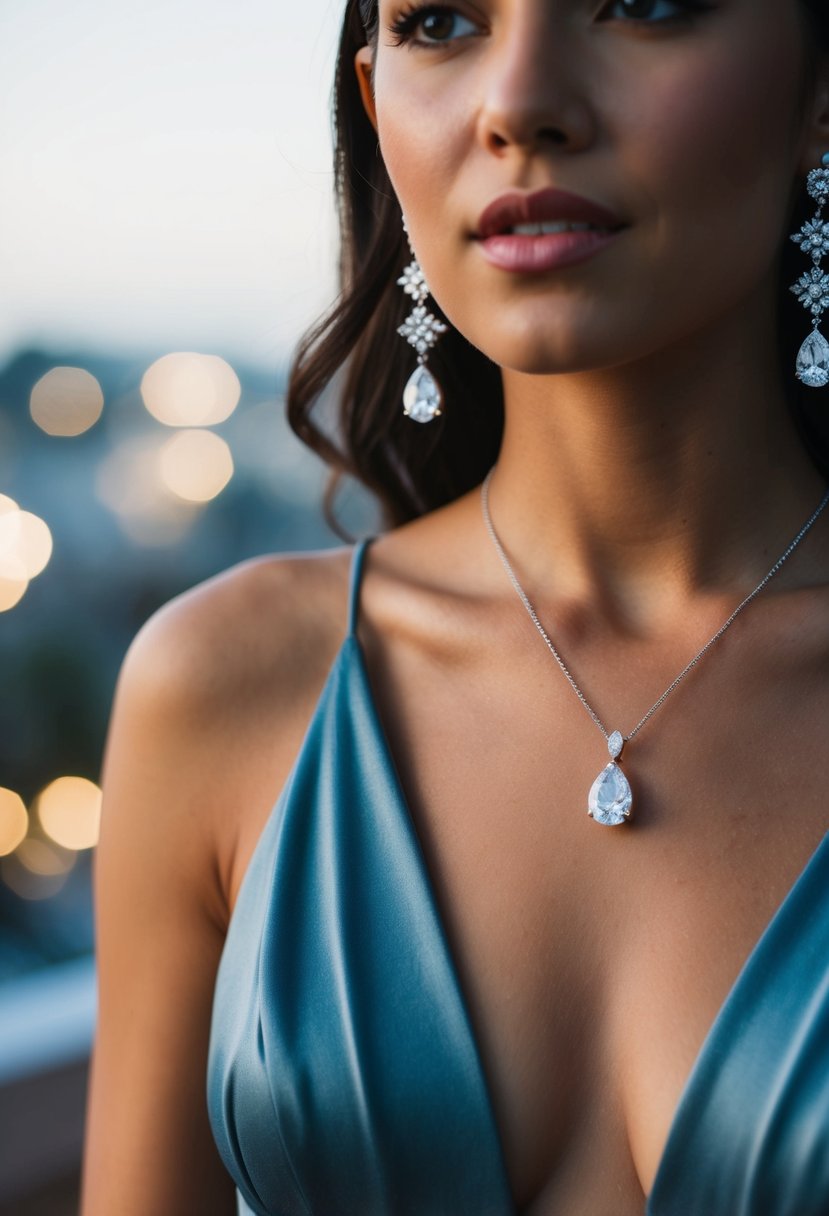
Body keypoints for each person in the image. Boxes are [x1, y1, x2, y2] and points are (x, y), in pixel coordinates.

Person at [81, 1, 829, 1213]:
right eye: (442, 22)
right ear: (379, 111)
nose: (521, 102)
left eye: (641, 5)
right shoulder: (227, 685)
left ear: (817, 89)